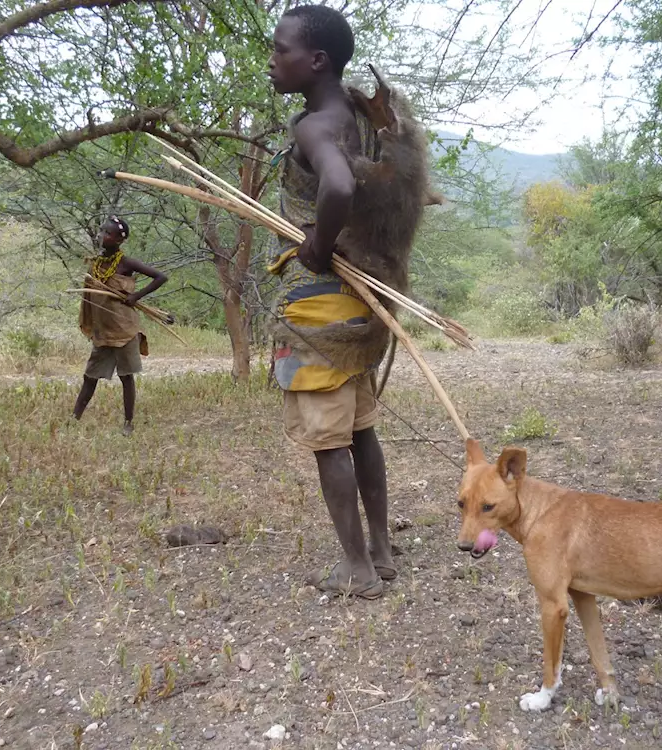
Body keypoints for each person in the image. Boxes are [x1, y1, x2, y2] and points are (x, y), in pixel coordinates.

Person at [267, 5, 399, 599]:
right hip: (360, 302)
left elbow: (340, 185)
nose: (272, 61)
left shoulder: (315, 126)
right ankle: (381, 550)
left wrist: (317, 247)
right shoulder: (358, 119)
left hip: (319, 310)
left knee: (329, 441)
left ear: (316, 60)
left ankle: (357, 568)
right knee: (361, 429)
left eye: (281, 50)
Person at [73, 216, 167, 435]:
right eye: (102, 231)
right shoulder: (96, 263)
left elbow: (161, 277)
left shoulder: (126, 263)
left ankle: (128, 423)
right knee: (90, 376)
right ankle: (74, 418)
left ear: (119, 240)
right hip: (103, 331)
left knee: (126, 377)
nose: (101, 235)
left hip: (125, 329)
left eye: (108, 233)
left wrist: (135, 296)